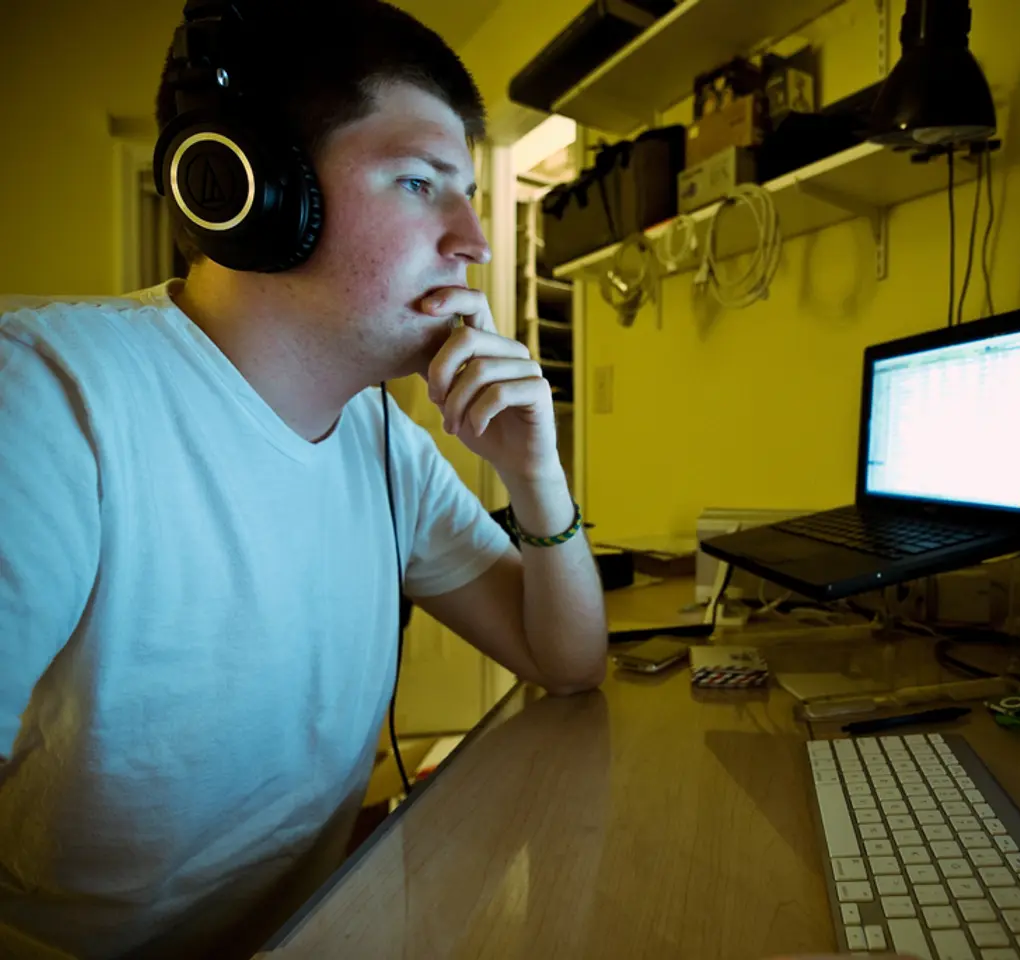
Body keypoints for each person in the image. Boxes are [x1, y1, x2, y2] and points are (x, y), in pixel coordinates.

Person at [0, 2, 606, 957]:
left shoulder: (383, 439)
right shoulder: (49, 398)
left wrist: (536, 471)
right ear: (252, 194)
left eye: (466, 192)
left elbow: (566, 663)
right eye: (418, 182)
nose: (474, 242)